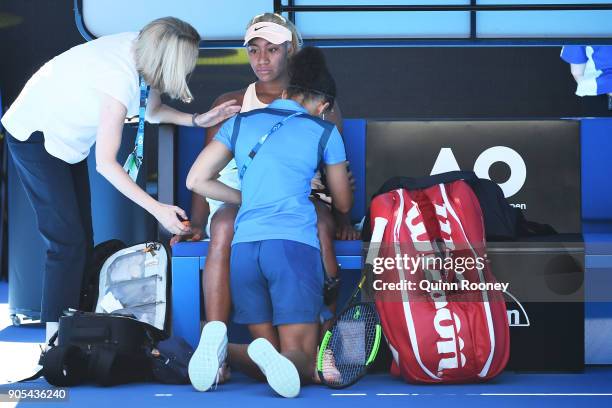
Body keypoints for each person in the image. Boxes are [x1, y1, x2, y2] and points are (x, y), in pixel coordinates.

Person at [0, 17, 240, 334]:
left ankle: (76, 328)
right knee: (65, 242)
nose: (186, 71)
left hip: (67, 140)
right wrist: (158, 209)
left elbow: (151, 111)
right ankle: (55, 339)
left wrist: (199, 120)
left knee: (80, 240)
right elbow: (106, 165)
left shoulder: (141, 50)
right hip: (35, 135)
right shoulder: (118, 77)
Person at [171, 12, 358, 332]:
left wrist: (343, 221)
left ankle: (323, 331)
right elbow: (204, 176)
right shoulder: (230, 104)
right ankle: (215, 337)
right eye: (254, 49)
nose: (261, 58)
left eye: (271, 49)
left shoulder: (323, 105)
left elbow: (335, 176)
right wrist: (198, 223)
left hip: (301, 197)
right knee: (224, 227)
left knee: (320, 225)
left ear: (290, 50)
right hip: (245, 198)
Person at [185, 46, 352, 398]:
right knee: (302, 359)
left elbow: (196, 180)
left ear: (286, 92)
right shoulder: (324, 131)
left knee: (274, 363)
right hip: (291, 249)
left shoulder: (239, 122)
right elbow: (342, 201)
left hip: (244, 250)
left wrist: (249, 199)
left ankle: (221, 344)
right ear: (324, 106)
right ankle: (259, 354)